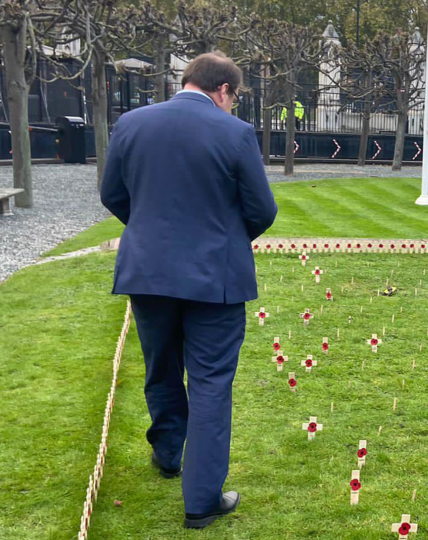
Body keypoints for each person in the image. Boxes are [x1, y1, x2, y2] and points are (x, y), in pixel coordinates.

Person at [100, 51, 278, 530]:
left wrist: (152, 235)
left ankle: (167, 454)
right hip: (213, 280)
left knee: (161, 366)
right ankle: (201, 500)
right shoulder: (235, 133)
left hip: (149, 274)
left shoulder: (132, 123)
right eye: (234, 98)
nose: (233, 106)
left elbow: (112, 194)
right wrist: (223, 238)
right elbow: (262, 209)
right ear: (223, 90)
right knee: (211, 384)